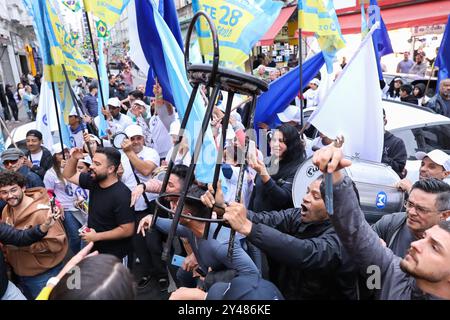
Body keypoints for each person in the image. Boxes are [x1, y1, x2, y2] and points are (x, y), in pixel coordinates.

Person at [313, 139, 450, 299]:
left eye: (434, 247)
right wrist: (334, 176)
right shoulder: (393, 228)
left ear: (445, 215)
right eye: (409, 204)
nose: (416, 245)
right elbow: (358, 236)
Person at [201, 177, 358, 300]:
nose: (305, 198)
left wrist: (249, 228)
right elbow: (265, 219)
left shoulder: (345, 237)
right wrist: (224, 209)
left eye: (315, 196)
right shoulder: (299, 216)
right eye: (307, 191)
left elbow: (306, 252)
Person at [0, 171, 68, 299]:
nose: (9, 196)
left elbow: (56, 244)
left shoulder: (43, 212)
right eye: (4, 192)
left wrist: (22, 247)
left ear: (23, 188)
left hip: (43, 275)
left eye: (13, 190)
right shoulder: (6, 210)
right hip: (20, 275)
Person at [62, 147, 135, 260]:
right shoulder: (94, 181)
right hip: (96, 250)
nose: (91, 167)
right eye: (92, 162)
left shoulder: (122, 195)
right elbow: (68, 175)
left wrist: (97, 236)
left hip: (115, 255)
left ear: (111, 169)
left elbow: (127, 229)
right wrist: (74, 158)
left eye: (97, 164)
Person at [248, 124, 305, 212]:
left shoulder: (298, 169)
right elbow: (255, 195)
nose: (276, 144)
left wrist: (264, 175)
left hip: (274, 223)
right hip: (254, 220)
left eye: (281, 141)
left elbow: (283, 199)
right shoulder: (267, 161)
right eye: (274, 140)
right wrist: (248, 216)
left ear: (291, 144)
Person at [44, 143, 86, 255]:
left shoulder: (74, 166)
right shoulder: (50, 174)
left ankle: (86, 255)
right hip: (66, 208)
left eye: (66, 151)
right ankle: (79, 256)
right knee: (75, 235)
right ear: (54, 156)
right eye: (60, 153)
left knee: (85, 233)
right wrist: (57, 204)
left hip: (82, 205)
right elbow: (48, 193)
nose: (64, 154)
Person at [381, 109, 407, 178]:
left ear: (385, 121)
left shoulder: (397, 143)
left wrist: (381, 155)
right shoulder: (363, 140)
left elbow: (399, 169)